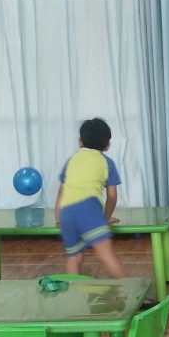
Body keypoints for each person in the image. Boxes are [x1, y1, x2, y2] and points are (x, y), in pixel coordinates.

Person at [55, 117, 127, 278]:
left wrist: (58, 217)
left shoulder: (71, 160)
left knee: (74, 258)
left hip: (66, 213)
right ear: (107, 145)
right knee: (105, 254)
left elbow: (61, 191)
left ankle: (74, 291)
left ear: (80, 142)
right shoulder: (107, 162)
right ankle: (131, 291)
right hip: (87, 210)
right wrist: (105, 217)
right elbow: (112, 196)